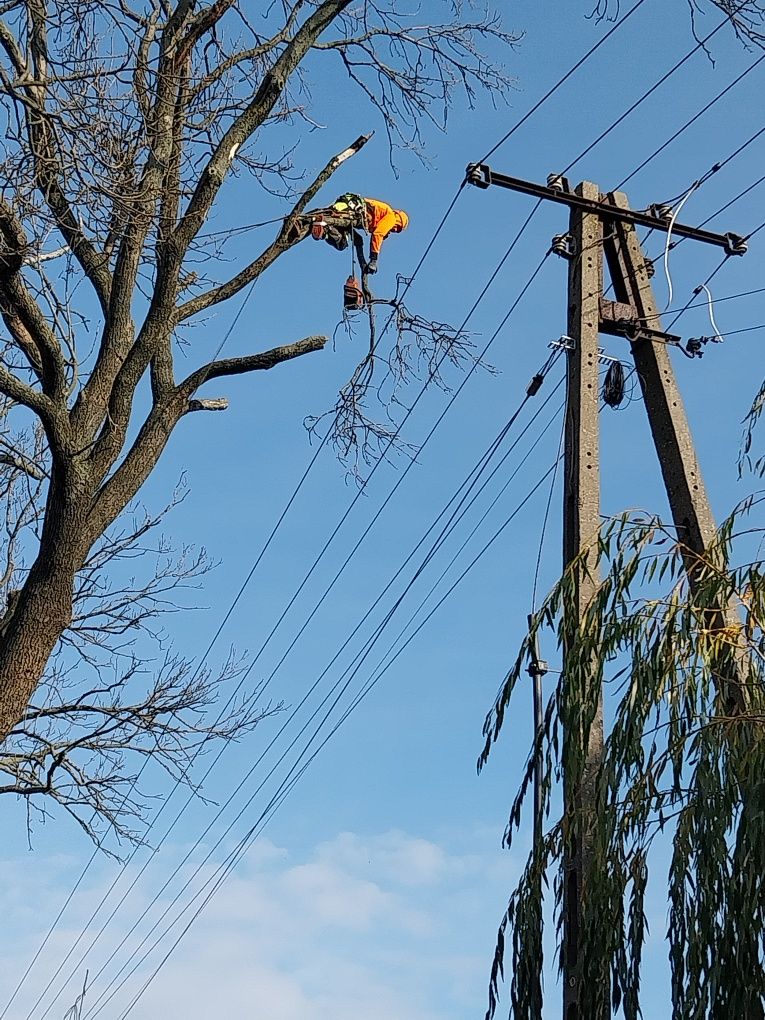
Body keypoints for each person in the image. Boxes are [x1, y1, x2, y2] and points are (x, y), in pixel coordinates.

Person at [314, 194, 409, 272]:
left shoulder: (384, 215)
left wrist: (364, 265)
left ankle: (325, 228)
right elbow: (378, 234)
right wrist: (373, 260)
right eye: (398, 228)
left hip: (349, 210)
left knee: (342, 244)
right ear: (399, 221)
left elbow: (378, 231)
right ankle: (324, 224)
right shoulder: (391, 217)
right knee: (347, 233)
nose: (395, 230)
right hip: (355, 212)